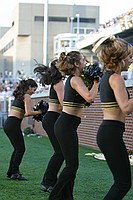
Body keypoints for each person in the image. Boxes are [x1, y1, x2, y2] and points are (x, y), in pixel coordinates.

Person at [48, 51, 100, 200]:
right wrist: (96, 82)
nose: (86, 62)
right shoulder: (75, 79)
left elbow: (86, 101)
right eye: (83, 60)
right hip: (65, 125)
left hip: (68, 125)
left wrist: (91, 85)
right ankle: (55, 196)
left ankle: (67, 196)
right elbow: (89, 96)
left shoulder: (76, 79)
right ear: (77, 64)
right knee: (72, 165)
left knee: (72, 165)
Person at [92, 35, 133, 199]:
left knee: (122, 181)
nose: (131, 61)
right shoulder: (116, 78)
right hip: (110, 134)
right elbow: (126, 108)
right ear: (120, 59)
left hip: (109, 133)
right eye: (129, 57)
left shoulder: (107, 77)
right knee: (123, 182)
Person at [34, 59, 64, 193]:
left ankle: (49, 181)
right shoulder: (59, 83)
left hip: (52, 118)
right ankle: (48, 182)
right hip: (52, 118)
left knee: (60, 152)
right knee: (60, 152)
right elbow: (64, 104)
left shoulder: (56, 82)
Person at [3, 79, 42, 180]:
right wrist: (39, 112)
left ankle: (12, 172)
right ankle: (14, 172)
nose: (34, 91)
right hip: (13, 124)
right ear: (29, 87)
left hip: (10, 123)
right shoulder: (27, 96)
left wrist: (36, 112)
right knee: (20, 149)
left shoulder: (20, 96)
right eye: (34, 89)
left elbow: (23, 114)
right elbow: (28, 112)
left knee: (17, 149)